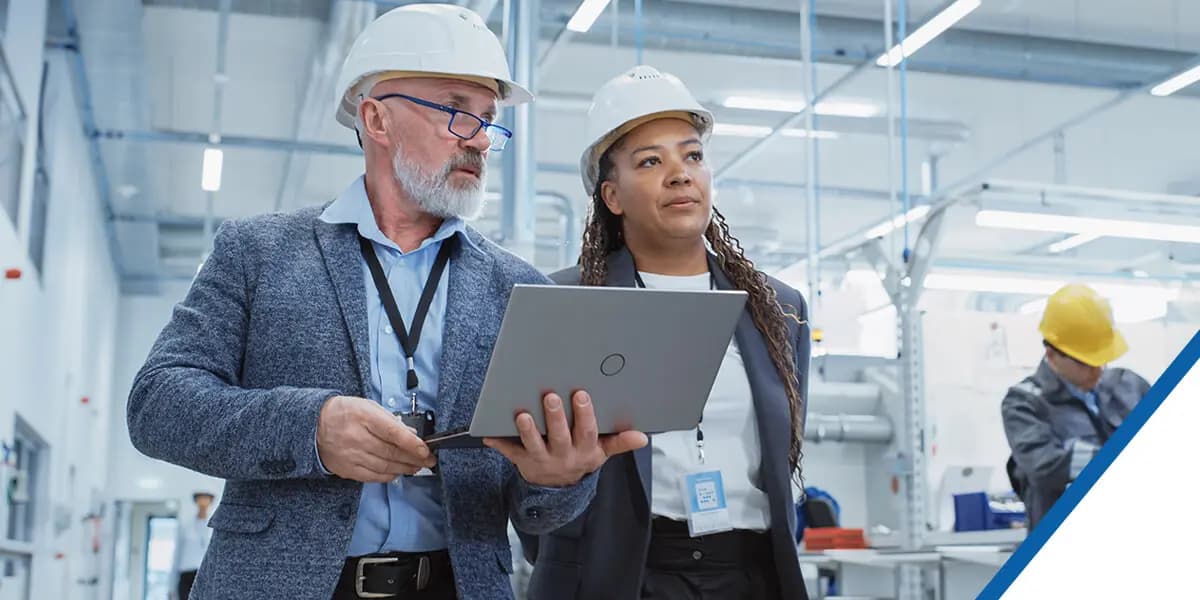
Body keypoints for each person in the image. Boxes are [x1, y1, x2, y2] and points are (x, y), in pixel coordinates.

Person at [126, 5, 644, 599]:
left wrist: (558, 479)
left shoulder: (519, 289)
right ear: (376, 119)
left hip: (458, 585)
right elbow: (156, 405)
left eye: (488, 122)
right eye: (456, 112)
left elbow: (537, 513)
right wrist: (312, 429)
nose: (478, 139)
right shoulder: (258, 252)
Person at [521, 66, 812, 600]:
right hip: (615, 576)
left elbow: (782, 454)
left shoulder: (779, 309)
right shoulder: (564, 303)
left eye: (692, 155)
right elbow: (527, 478)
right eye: (650, 161)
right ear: (612, 196)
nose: (680, 174)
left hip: (751, 575)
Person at [1002, 283, 1149, 529]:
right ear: (1052, 355)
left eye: (1102, 359)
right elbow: (1045, 467)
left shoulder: (1130, 386)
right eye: (1085, 362)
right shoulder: (1024, 403)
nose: (1097, 371)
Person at [170, 492, 214, 600]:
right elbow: (177, 556)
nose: (203, 502)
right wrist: (171, 587)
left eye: (206, 498)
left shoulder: (214, 528)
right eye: (200, 498)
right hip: (186, 576)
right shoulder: (186, 526)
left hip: (206, 577)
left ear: (210, 501)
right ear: (196, 501)